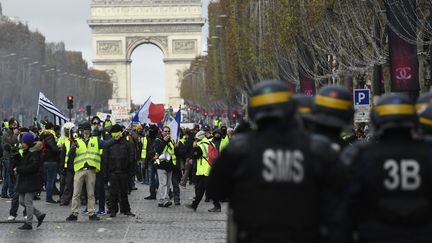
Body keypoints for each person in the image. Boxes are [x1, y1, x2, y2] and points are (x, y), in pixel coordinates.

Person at [207, 80, 349, 243]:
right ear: (291, 109)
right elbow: (341, 194)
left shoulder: (239, 150)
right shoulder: (317, 148)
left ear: (252, 111)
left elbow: (214, 191)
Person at [343, 93, 432, 242]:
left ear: (376, 120)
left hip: (375, 235)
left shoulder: (362, 155)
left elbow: (350, 202)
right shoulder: (428, 152)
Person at [65, 122, 118, 221]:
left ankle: (91, 213)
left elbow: (106, 144)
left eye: (88, 130)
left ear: (90, 131)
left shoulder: (96, 140)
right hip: (79, 170)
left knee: (91, 194)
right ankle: (74, 213)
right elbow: (70, 157)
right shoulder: (76, 141)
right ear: (82, 131)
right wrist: (72, 149)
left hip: (91, 170)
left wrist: (114, 139)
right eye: (85, 130)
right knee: (76, 193)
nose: (86, 132)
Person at [103, 124, 135, 217]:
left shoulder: (127, 144)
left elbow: (131, 158)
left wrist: (131, 172)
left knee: (124, 192)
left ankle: (126, 210)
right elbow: (105, 159)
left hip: (124, 172)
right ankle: (113, 210)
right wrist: (105, 173)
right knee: (113, 193)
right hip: (113, 172)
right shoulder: (108, 144)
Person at [14, 132, 45, 230]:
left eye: (23, 142)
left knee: (27, 201)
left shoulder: (34, 153)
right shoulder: (27, 151)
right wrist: (17, 157)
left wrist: (19, 169)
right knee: (21, 201)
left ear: (28, 142)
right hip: (26, 180)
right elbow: (24, 164)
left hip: (31, 181)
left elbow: (32, 167)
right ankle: (39, 215)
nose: (21, 144)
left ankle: (29, 223)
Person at [186, 130, 222, 212]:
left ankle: (217, 206)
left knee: (209, 190)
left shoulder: (200, 146)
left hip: (205, 170)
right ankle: (194, 205)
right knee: (201, 189)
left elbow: (194, 156)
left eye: (196, 139)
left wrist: (194, 147)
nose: (195, 141)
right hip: (208, 168)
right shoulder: (209, 142)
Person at [153, 126, 178, 207]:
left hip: (169, 166)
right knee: (162, 183)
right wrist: (164, 141)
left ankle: (161, 200)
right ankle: (165, 200)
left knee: (167, 184)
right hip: (161, 165)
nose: (167, 133)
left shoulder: (172, 140)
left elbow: (174, 152)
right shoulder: (158, 140)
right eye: (165, 131)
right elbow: (158, 150)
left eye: (168, 131)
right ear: (162, 132)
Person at [40, 122, 60, 203]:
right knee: (50, 180)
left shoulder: (42, 135)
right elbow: (54, 149)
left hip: (45, 160)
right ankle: (49, 197)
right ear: (51, 128)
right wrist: (58, 149)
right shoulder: (50, 136)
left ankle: (49, 197)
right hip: (51, 160)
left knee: (48, 180)